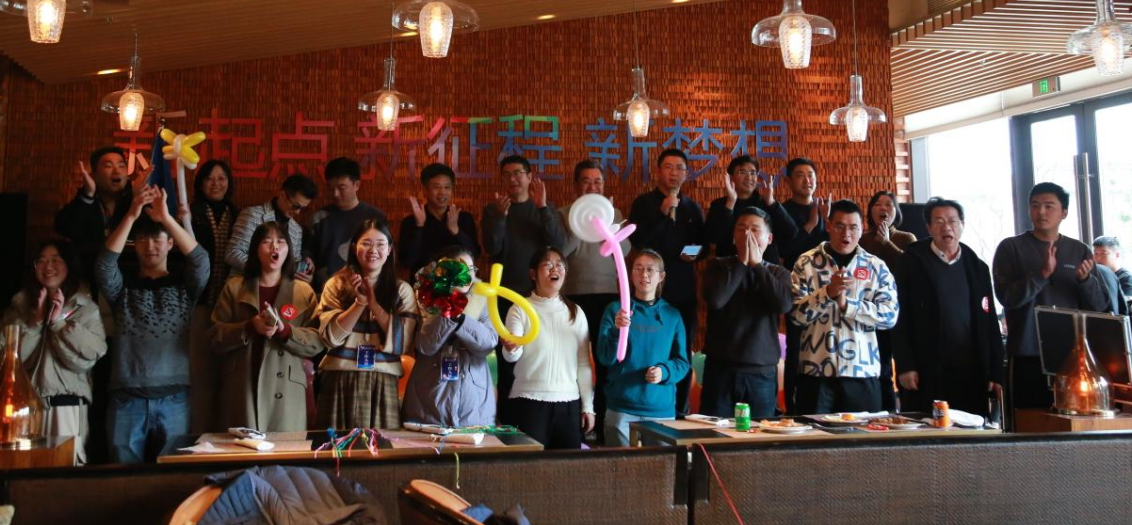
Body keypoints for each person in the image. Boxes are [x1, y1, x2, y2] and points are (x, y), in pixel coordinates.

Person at [96, 186, 209, 463]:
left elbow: (200, 261)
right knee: (122, 476)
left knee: (171, 474)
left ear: (170, 244)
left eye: (157, 239)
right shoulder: (121, 289)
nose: (150, 246)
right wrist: (132, 215)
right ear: (134, 245)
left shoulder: (185, 288)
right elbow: (104, 265)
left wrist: (167, 219)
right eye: (142, 240)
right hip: (126, 397)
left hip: (174, 397)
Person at [993, 182, 1106, 412]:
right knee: (1027, 421)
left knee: (1071, 421)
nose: (1041, 212)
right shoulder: (1011, 248)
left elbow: (1098, 307)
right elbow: (1007, 298)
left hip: (1071, 357)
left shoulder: (1079, 250)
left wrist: (1085, 281)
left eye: (1048, 206)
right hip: (1026, 353)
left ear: (1064, 212)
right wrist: (1041, 275)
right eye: (1035, 206)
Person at [893, 198, 1004, 417]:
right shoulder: (911, 263)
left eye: (953, 221)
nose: (947, 227)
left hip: (970, 369)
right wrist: (905, 365)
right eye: (939, 221)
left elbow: (989, 322)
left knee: (970, 429)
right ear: (928, 227)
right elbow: (899, 317)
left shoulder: (977, 267)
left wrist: (996, 372)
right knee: (925, 428)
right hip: (925, 369)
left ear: (962, 225)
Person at [0, 239, 106, 464]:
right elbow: (10, 361)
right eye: (41, 261)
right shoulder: (17, 308)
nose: (48, 266)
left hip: (66, 404)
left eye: (56, 260)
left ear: (69, 265)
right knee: (24, 469)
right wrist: (36, 322)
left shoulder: (85, 308)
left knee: (64, 468)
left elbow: (86, 359)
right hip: (23, 409)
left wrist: (58, 324)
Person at [210, 222, 323, 432]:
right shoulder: (235, 288)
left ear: (289, 250)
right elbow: (214, 337)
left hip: (286, 389)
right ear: (255, 249)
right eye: (267, 241)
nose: (274, 247)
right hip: (242, 384)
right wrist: (249, 327)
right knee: (243, 448)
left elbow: (317, 342)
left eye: (281, 242)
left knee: (284, 449)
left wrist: (284, 331)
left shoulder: (303, 291)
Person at [790, 199, 899, 414]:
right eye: (839, 226)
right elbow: (795, 315)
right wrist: (827, 293)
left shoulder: (876, 266)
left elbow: (890, 316)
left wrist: (849, 305)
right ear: (829, 226)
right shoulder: (806, 263)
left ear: (862, 229)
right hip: (815, 372)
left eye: (853, 227)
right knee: (814, 433)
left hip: (862, 373)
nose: (846, 234)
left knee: (862, 435)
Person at [482, 154, 566, 421]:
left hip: (536, 299)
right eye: (507, 174)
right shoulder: (493, 210)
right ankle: (507, 421)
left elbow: (558, 245)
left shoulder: (543, 209)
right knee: (507, 361)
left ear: (530, 177)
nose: (513, 179)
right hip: (504, 297)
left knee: (536, 357)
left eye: (518, 173)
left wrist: (543, 208)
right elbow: (491, 248)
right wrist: (499, 218)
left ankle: (533, 415)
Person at [315, 220, 418, 429]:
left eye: (380, 244)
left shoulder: (402, 290)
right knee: (336, 445)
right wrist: (359, 303)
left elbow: (403, 343)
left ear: (389, 250)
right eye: (366, 243)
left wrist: (373, 304)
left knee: (381, 445)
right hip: (339, 376)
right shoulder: (336, 285)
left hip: (383, 378)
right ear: (355, 247)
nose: (373, 250)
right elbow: (330, 337)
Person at [628, 148, 705, 416]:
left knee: (681, 352)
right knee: (646, 349)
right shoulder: (643, 204)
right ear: (658, 171)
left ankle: (680, 410)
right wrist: (662, 214)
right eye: (668, 167)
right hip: (649, 293)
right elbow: (638, 243)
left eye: (679, 168)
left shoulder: (692, 207)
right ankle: (642, 406)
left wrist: (692, 254)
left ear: (686, 173)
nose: (674, 173)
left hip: (682, 291)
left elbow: (702, 246)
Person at [700, 207, 793, 419]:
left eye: (755, 229)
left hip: (761, 372)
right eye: (741, 229)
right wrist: (742, 263)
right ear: (734, 237)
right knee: (714, 432)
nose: (747, 234)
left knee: (759, 433)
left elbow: (784, 305)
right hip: (720, 370)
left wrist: (757, 266)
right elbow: (716, 300)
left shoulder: (778, 272)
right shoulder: (717, 266)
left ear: (769, 238)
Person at [559, 159, 628, 441]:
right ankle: (574, 423)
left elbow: (624, 249)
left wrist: (608, 223)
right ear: (576, 185)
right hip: (573, 297)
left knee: (605, 362)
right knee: (572, 361)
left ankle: (601, 425)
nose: (592, 186)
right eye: (586, 181)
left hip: (608, 297)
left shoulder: (614, 213)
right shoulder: (563, 214)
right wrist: (580, 223)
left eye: (597, 181)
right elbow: (561, 252)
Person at [502, 247, 594, 449]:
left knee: (568, 466)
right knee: (529, 465)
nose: (555, 269)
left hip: (569, 402)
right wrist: (511, 347)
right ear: (533, 274)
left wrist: (588, 407)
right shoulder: (519, 308)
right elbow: (511, 356)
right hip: (529, 401)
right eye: (547, 264)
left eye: (560, 265)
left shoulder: (576, 312)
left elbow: (584, 364)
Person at [597, 249, 689, 447]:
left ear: (661, 276)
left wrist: (664, 372)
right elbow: (604, 357)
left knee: (661, 465)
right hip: (620, 407)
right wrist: (616, 331)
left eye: (650, 269)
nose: (643, 274)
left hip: (660, 411)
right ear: (630, 274)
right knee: (619, 465)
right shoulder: (615, 310)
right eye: (638, 269)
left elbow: (682, 363)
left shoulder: (672, 315)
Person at [402, 247, 498, 428]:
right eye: (459, 268)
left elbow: (488, 345)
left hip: (473, 404)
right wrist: (448, 307)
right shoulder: (423, 297)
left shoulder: (482, 298)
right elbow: (426, 345)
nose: (467, 275)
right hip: (428, 401)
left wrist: (461, 318)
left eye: (471, 269)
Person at [188, 159, 240, 433]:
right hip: (199, 302)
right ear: (200, 183)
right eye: (210, 178)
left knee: (228, 372)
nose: (216, 183)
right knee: (200, 372)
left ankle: (224, 431)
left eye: (222, 178)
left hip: (230, 305)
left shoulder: (238, 214)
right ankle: (199, 432)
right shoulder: (190, 212)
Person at [777, 157, 831, 413]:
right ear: (788, 181)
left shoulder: (826, 210)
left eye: (811, 174)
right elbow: (786, 252)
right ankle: (793, 408)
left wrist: (827, 223)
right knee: (796, 349)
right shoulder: (782, 211)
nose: (807, 180)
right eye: (800, 175)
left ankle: (821, 404)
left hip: (827, 290)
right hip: (797, 289)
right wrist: (811, 224)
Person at [857, 190, 916, 411]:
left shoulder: (906, 238)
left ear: (896, 211)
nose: (883, 208)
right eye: (878, 204)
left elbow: (911, 269)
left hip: (900, 312)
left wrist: (887, 243)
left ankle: (907, 412)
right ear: (870, 211)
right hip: (871, 311)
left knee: (904, 367)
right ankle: (883, 412)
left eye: (889, 204)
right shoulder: (862, 239)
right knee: (881, 369)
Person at [54, 146, 136, 283]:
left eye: (121, 166)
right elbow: (63, 228)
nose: (116, 171)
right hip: (86, 276)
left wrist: (137, 201)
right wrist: (88, 195)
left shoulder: (135, 202)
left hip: (128, 277)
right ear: (93, 175)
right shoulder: (85, 200)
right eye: (108, 166)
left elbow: (151, 234)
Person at [307, 157, 387, 291]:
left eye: (341, 187)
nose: (335, 194)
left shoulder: (375, 218)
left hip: (368, 290)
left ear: (357, 185)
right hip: (326, 291)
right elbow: (308, 253)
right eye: (331, 188)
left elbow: (385, 255)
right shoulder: (318, 219)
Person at [704, 155, 797, 264]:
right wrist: (730, 205)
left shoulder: (768, 203)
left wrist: (771, 202)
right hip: (730, 268)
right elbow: (712, 237)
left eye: (753, 173)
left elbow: (791, 231)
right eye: (742, 172)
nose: (749, 177)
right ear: (731, 177)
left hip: (765, 268)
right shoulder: (719, 205)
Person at [226, 173, 317, 281]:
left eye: (302, 208)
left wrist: (303, 273)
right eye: (295, 206)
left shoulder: (296, 230)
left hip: (280, 290)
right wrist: (268, 272)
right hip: (246, 285)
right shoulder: (252, 215)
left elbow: (292, 264)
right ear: (282, 195)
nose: (297, 212)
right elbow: (232, 253)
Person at [399, 163, 480, 277]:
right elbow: (407, 262)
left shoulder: (463, 219)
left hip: (457, 283)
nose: (442, 192)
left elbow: (474, 256)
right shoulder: (410, 222)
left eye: (447, 187)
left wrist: (456, 231)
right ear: (425, 190)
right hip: (423, 283)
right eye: (437, 187)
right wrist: (419, 226)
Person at [1093, 236, 1132, 309]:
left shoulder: (1127, 278)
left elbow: (1126, 305)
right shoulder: (1096, 276)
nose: (1098, 258)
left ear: (1117, 255)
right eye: (1096, 253)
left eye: (1103, 254)